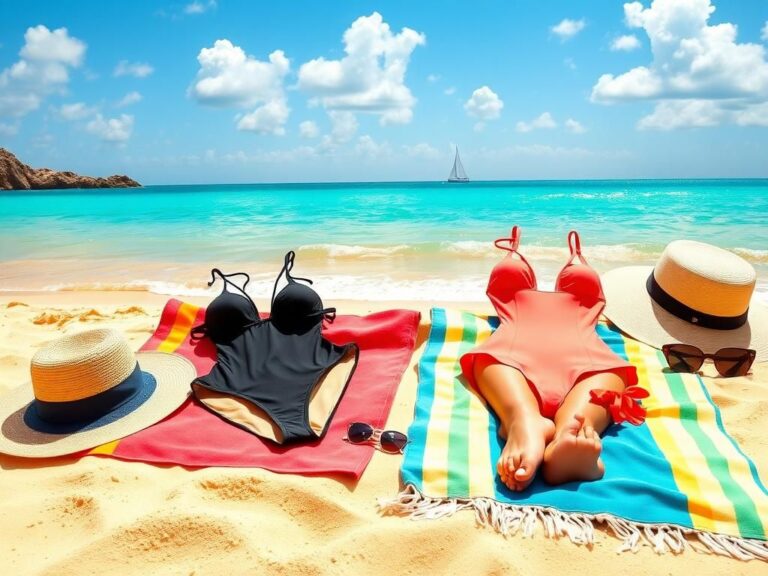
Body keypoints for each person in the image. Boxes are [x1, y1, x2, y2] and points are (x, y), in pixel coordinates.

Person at [460, 227, 639, 490]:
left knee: (588, 402)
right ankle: (527, 423)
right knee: (498, 367)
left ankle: (564, 441)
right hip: (552, 352)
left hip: (535, 350)